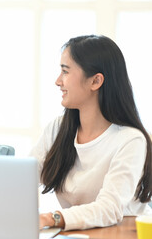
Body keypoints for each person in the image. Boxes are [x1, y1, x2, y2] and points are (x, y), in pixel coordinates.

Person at [31, 35, 152, 231]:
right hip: (79, 233)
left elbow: (109, 209)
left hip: (122, 233)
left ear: (95, 81)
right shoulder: (57, 129)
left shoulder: (131, 140)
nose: (57, 81)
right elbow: (25, 178)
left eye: (65, 71)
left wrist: (49, 218)